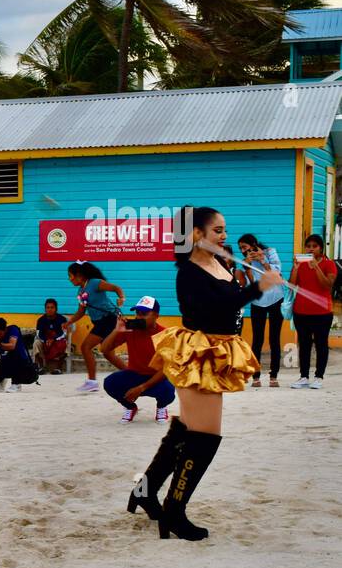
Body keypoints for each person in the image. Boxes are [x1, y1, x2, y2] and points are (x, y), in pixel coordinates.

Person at [132, 207, 281, 539]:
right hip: (199, 352)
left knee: (186, 429)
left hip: (220, 348)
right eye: (217, 230)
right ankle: (174, 510)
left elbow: (230, 297)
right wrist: (258, 289)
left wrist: (259, 276)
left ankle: (145, 490)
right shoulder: (188, 272)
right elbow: (214, 309)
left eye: (224, 229)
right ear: (196, 234)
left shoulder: (220, 263)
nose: (224, 236)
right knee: (205, 436)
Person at [99, 296, 174, 424]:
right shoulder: (130, 330)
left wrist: (141, 388)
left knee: (168, 389)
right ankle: (130, 407)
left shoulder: (165, 335)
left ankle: (161, 407)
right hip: (134, 374)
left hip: (156, 377)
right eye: (137, 313)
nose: (139, 317)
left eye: (144, 314)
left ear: (156, 315)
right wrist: (116, 330)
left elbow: (166, 368)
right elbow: (104, 349)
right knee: (110, 383)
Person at [63, 261, 124, 392]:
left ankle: (92, 382)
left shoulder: (95, 283)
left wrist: (121, 298)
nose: (69, 279)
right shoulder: (80, 291)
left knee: (85, 347)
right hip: (100, 322)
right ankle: (133, 374)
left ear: (79, 275)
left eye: (70, 275)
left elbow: (116, 288)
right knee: (108, 353)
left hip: (108, 319)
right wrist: (69, 322)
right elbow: (81, 312)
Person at [288, 234, 337, 389]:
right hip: (301, 311)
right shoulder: (300, 264)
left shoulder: (329, 264)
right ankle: (303, 376)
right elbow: (292, 285)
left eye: (314, 246)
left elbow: (327, 285)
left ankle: (319, 377)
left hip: (322, 312)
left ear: (321, 248)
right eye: (308, 246)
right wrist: (295, 269)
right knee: (304, 345)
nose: (311, 249)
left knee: (321, 344)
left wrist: (316, 266)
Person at [236, 234, 284, 388]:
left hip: (276, 298)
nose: (243, 251)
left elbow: (276, 273)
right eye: (241, 249)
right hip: (258, 302)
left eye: (245, 247)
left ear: (253, 244)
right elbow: (253, 284)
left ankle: (274, 375)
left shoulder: (270, 252)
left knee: (274, 338)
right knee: (257, 339)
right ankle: (256, 376)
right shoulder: (246, 261)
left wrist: (263, 260)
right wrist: (247, 267)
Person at [0, 317, 38, 392]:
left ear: (5, 329)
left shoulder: (13, 329)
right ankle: (1, 380)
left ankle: (16, 384)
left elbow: (12, 346)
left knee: (14, 357)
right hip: (6, 363)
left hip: (23, 365)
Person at [35, 299, 68, 374]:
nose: (50, 309)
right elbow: (38, 334)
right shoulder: (41, 320)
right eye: (48, 307)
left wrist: (54, 339)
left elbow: (64, 333)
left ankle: (59, 368)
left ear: (56, 309)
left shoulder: (62, 319)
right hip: (45, 341)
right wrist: (46, 339)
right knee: (36, 343)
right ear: (45, 309)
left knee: (65, 344)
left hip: (58, 340)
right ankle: (41, 367)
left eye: (52, 307)